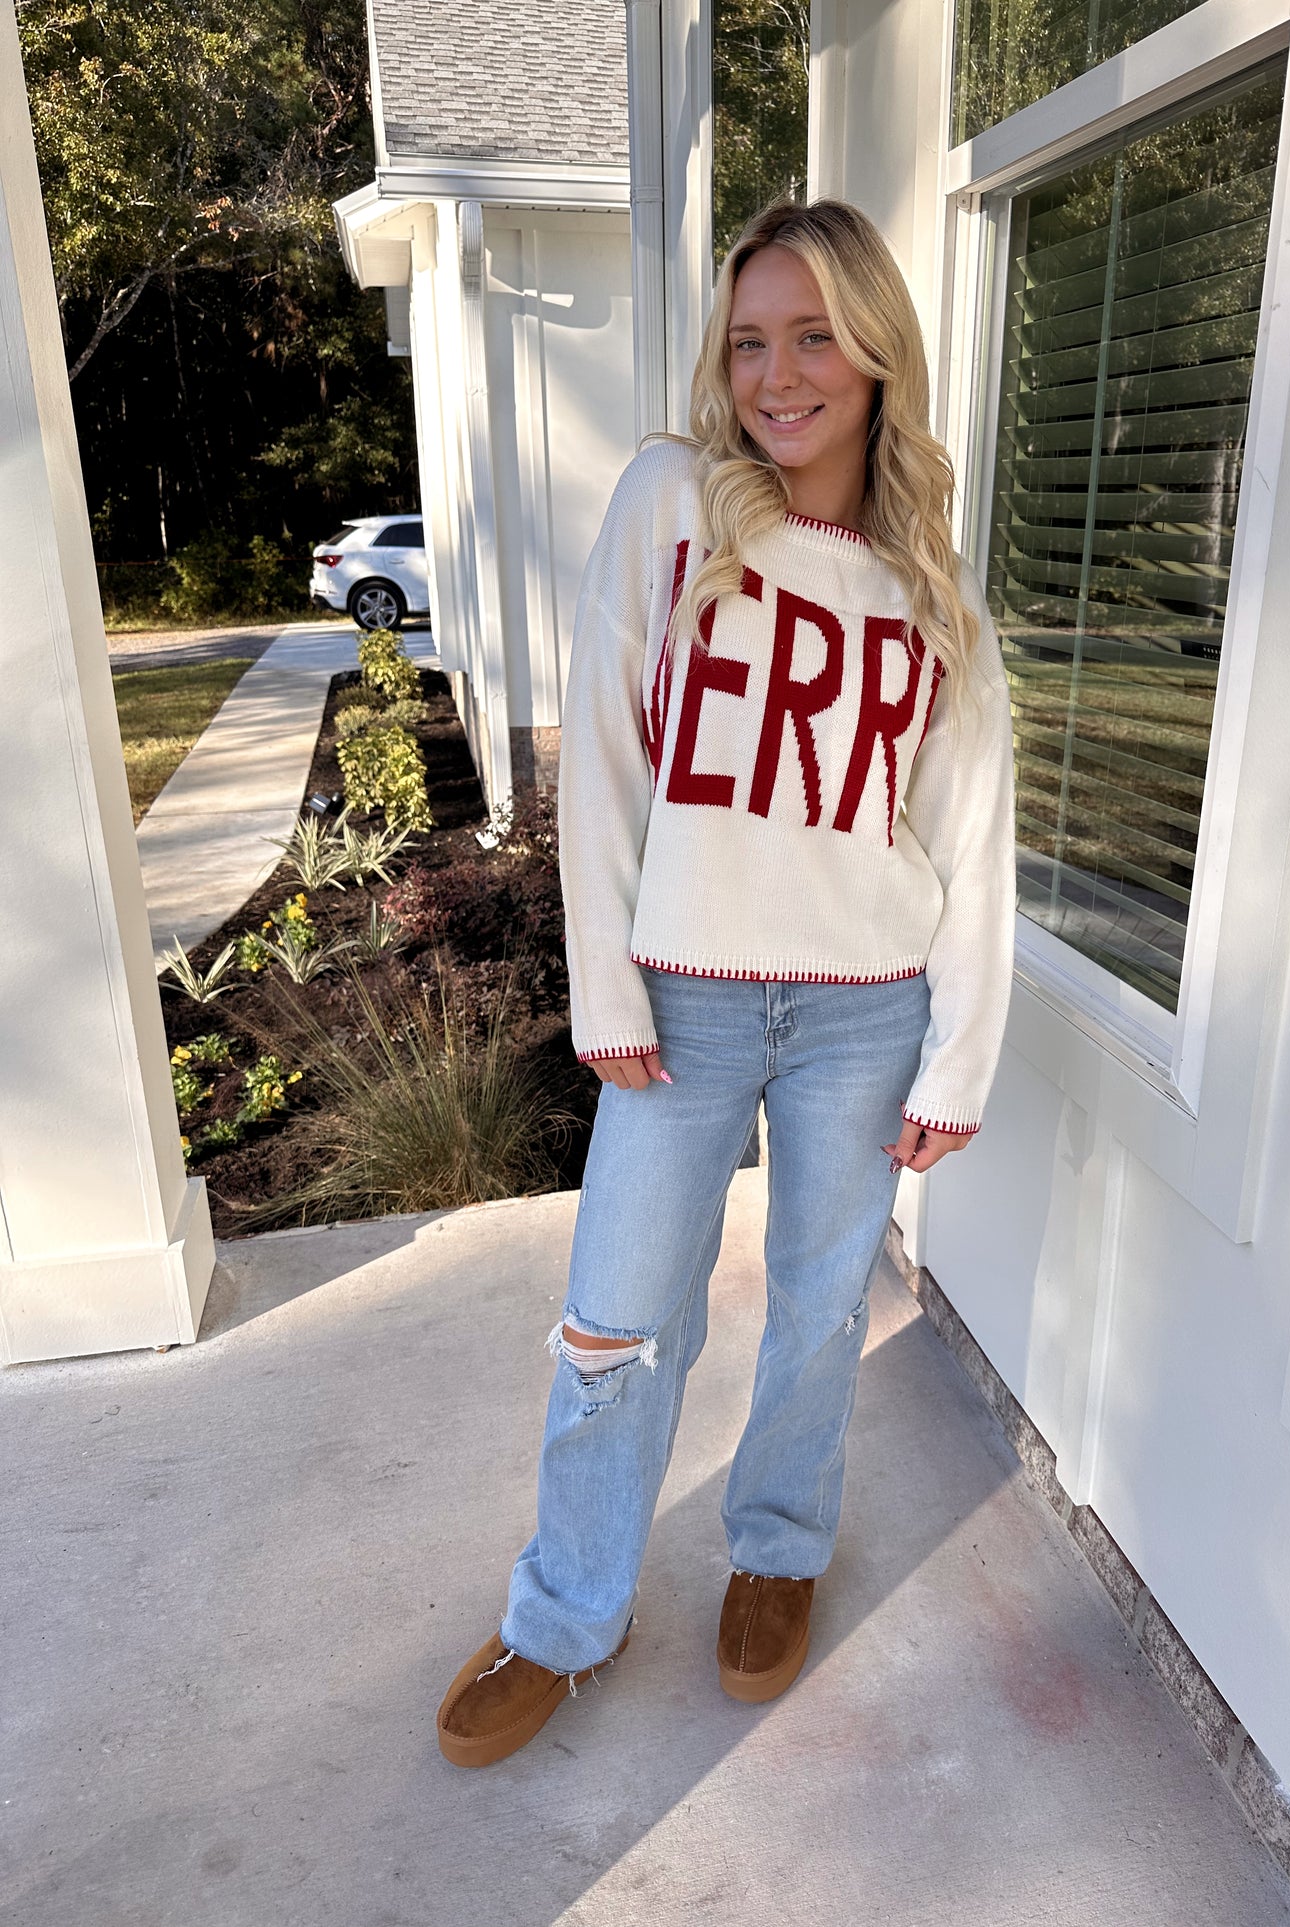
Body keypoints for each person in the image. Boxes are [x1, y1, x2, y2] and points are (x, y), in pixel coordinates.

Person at [436, 197, 1017, 1768]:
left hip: (861, 1012)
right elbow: (611, 759)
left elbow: (970, 838)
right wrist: (604, 991)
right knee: (616, 1324)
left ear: (877, 352)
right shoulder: (671, 500)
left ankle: (773, 1552)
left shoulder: (925, 590)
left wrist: (956, 1060)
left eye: (815, 334)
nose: (778, 373)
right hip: (680, 1005)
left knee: (821, 1311)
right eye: (750, 340)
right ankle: (564, 1612)